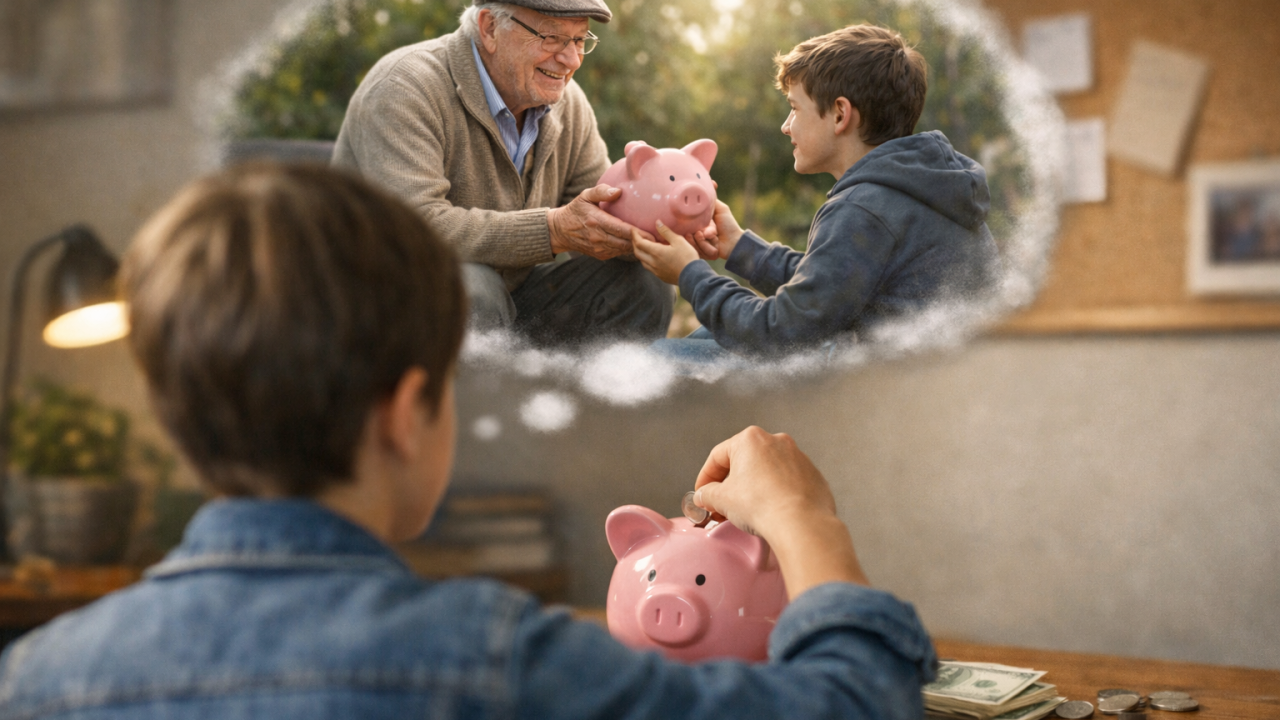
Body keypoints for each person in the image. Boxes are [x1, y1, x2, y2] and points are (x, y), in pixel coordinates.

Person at [0, 163, 937, 718]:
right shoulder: (490, 660)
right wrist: (804, 520)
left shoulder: (34, 679)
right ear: (407, 413)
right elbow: (845, 704)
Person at [633, 24, 999, 358]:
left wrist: (690, 274)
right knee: (702, 339)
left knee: (655, 365)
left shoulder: (866, 208)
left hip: (875, 392)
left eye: (794, 108)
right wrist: (740, 247)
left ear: (840, 114)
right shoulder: (920, 188)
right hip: (915, 373)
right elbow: (832, 284)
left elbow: (776, 332)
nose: (785, 126)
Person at [333, 0, 676, 346]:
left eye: (578, 40)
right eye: (552, 37)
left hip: (506, 301)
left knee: (646, 285)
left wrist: (668, 224)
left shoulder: (567, 103)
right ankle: (467, 400)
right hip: (380, 308)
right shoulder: (405, 87)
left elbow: (604, 215)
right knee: (472, 289)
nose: (571, 59)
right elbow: (414, 230)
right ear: (490, 28)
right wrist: (553, 230)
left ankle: (588, 397)